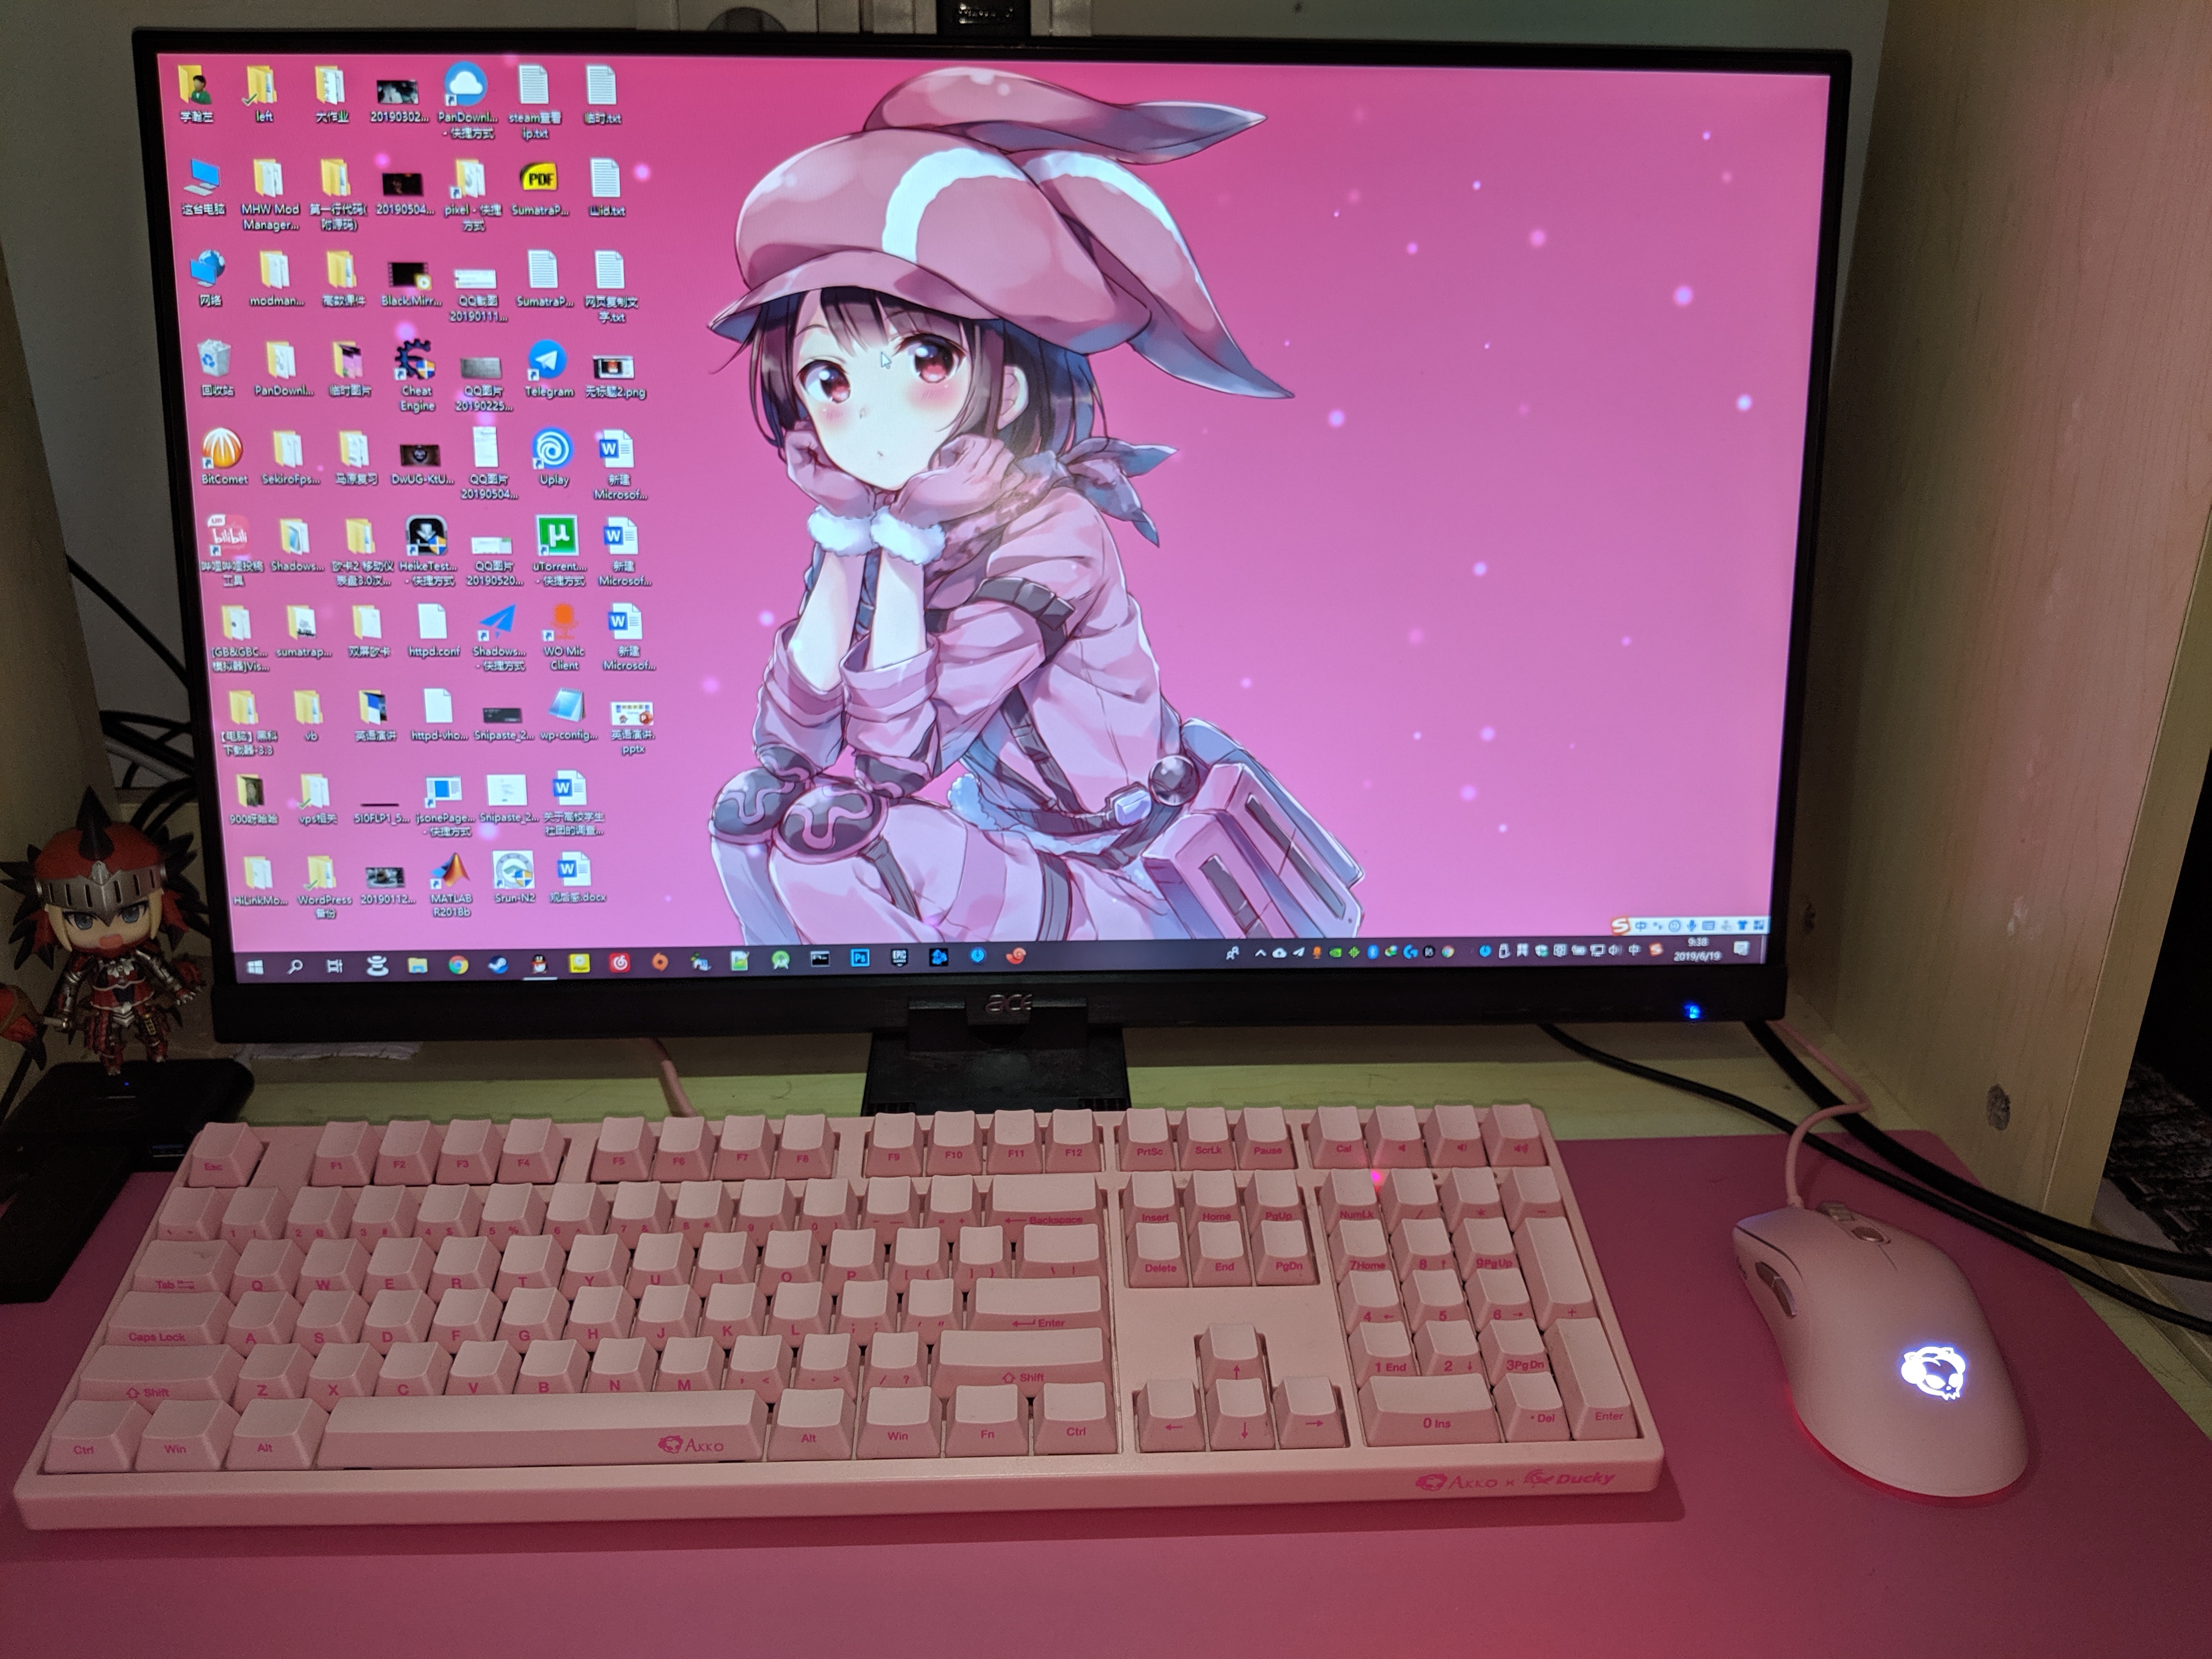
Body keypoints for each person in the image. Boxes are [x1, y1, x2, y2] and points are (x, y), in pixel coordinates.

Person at [706, 67, 1362, 947]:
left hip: (1136, 879)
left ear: (1007, 388)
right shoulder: (910, 520)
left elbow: (900, 756)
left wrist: (898, 540)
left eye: (927, 361)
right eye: (830, 379)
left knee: (841, 852)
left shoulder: (1054, 535)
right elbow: (794, 745)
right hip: (1030, 862)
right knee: (753, 822)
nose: (866, 418)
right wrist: (845, 537)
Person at [1, 792, 205, 1073]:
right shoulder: (84, 961)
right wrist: (65, 1012)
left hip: (141, 998)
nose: (111, 933)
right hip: (104, 1006)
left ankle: (158, 1058)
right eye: (84, 921)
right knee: (105, 1042)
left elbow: (159, 967)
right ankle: (112, 1066)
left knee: (155, 1034)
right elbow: (70, 984)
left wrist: (178, 988)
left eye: (130, 914)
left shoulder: (141, 951)